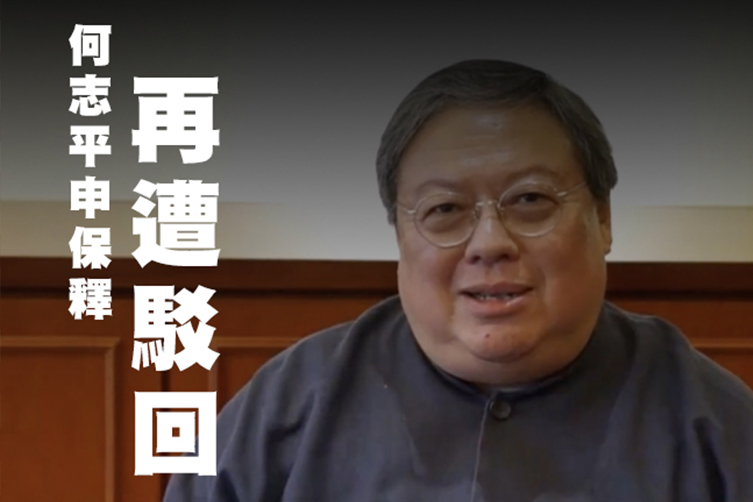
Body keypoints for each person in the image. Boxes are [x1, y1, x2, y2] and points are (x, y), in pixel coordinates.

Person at [164, 60, 753, 502]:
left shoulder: (716, 426)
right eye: (444, 209)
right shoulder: (287, 410)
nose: (490, 242)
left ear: (602, 220)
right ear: (400, 235)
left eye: (530, 200)